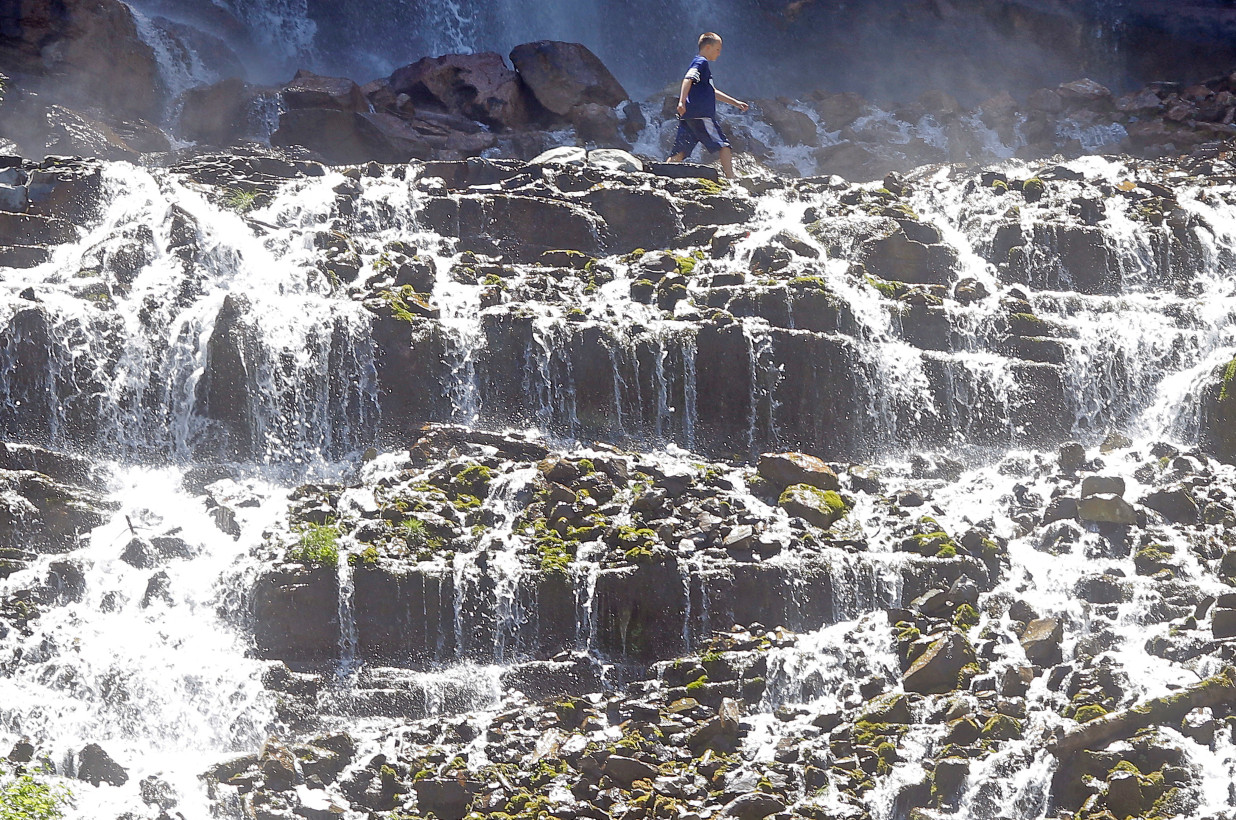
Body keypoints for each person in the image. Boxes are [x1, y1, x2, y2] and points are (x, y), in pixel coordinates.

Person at [667, 32, 749, 179]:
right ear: (708, 47)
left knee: (679, 152)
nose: (719, 54)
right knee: (723, 145)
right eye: (718, 50)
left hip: (689, 117)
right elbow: (687, 79)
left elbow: (713, 92)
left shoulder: (699, 64)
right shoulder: (701, 62)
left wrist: (735, 102)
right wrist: (681, 101)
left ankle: (663, 175)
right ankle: (732, 178)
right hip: (702, 115)